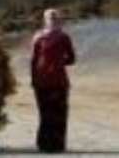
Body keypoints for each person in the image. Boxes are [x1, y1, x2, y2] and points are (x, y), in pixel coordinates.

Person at [30, 8, 76, 153]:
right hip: (48, 81)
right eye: (52, 18)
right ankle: (50, 145)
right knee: (51, 112)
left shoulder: (60, 37)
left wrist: (59, 63)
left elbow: (72, 58)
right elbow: (33, 60)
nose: (54, 20)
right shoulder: (44, 37)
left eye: (56, 18)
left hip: (52, 81)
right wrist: (34, 78)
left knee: (53, 112)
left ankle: (51, 145)